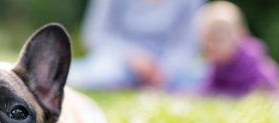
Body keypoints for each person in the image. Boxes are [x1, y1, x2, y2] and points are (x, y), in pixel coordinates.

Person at [67, 0, 205, 92]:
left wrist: (164, 69)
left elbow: (186, 44)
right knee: (100, 76)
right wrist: (131, 56)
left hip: (167, 68)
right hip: (118, 61)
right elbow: (95, 35)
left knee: (203, 77)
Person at [197, 1, 279, 97]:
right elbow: (210, 87)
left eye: (217, 39)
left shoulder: (249, 61)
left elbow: (253, 89)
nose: (211, 46)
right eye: (207, 40)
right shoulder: (218, 65)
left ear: (239, 36)